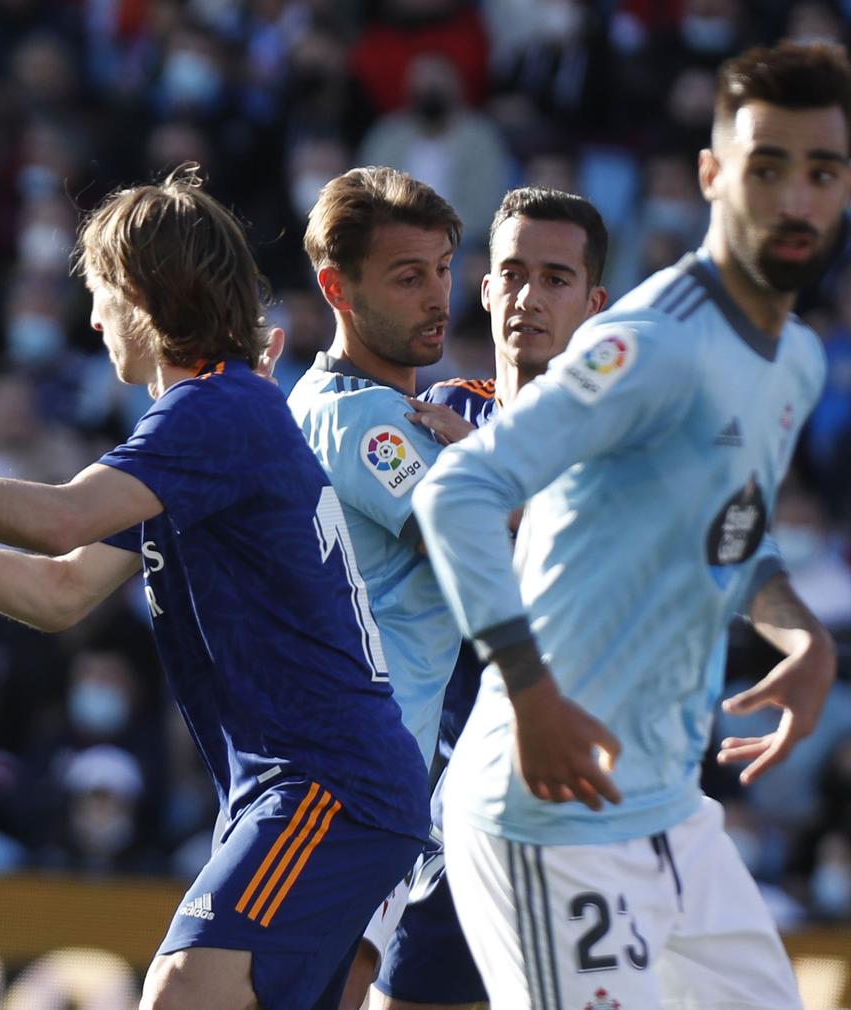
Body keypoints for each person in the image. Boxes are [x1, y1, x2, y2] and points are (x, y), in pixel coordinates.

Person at [0, 168, 427, 1010]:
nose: (95, 316)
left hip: (328, 786)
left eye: (102, 291)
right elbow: (64, 589)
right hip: (311, 787)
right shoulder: (209, 427)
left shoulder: (215, 411)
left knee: (180, 990)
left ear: (144, 295)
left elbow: (61, 520)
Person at [414, 41, 845, 1009]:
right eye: (764, 165)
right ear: (709, 175)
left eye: (818, 170)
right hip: (547, 811)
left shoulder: (794, 361)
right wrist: (528, 693)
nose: (793, 197)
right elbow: (459, 491)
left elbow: (727, 530)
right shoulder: (645, 341)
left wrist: (797, 631)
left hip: (669, 808)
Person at [370, 186, 610, 1010]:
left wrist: (481, 472)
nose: (528, 299)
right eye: (511, 274)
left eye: (555, 278)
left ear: (594, 301)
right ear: (482, 288)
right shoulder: (431, 412)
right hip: (443, 795)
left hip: (580, 795)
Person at [282, 166, 467, 1005]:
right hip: (357, 781)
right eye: (407, 276)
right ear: (336, 288)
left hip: (361, 772)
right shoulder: (364, 423)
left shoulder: (336, 404)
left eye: (442, 270)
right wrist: (487, 461)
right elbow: (483, 544)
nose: (438, 297)